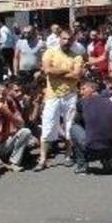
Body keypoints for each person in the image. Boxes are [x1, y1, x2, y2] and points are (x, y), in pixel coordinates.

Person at [36, 29, 83, 170]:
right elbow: (47, 71)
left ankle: (68, 155)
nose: (66, 41)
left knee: (69, 126)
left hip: (70, 95)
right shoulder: (50, 52)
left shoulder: (77, 56)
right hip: (52, 95)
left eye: (69, 39)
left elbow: (77, 75)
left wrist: (58, 71)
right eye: (64, 38)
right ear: (59, 39)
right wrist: (66, 70)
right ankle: (43, 158)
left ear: (73, 40)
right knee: (48, 125)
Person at [70, 79, 112, 175]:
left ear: (93, 89)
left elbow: (77, 121)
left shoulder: (82, 102)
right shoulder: (111, 103)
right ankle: (107, 163)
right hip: (111, 145)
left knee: (73, 128)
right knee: (106, 128)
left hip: (91, 146)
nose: (81, 92)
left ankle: (82, 166)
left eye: (83, 89)